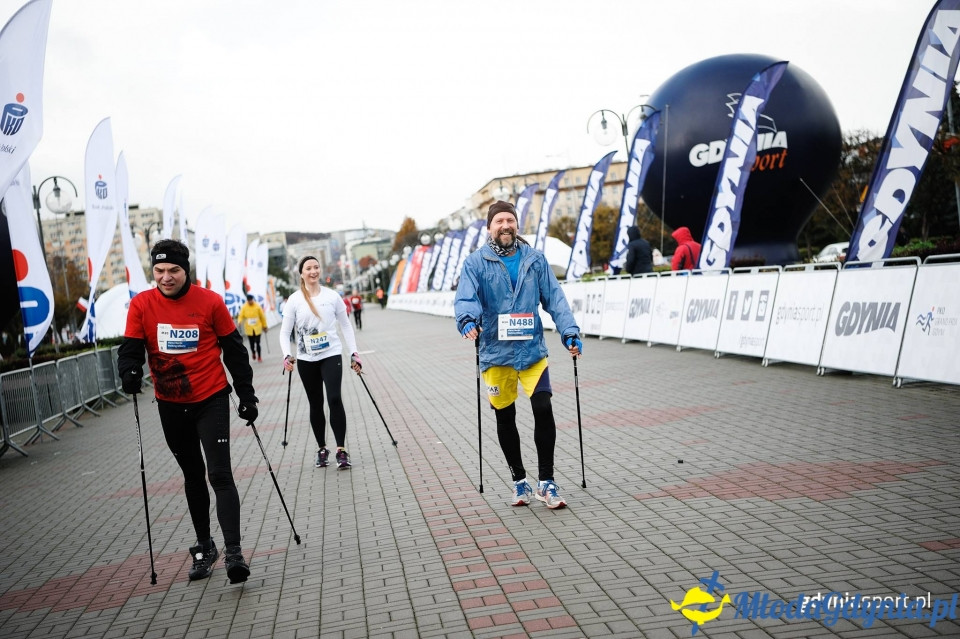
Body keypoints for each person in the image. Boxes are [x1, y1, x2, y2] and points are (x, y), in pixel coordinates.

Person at [116, 239, 257, 585]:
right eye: (159, 270)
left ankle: (234, 552)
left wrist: (247, 395)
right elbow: (130, 349)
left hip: (211, 398)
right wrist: (129, 371)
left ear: (186, 270)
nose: (166, 277)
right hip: (170, 403)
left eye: (173, 270)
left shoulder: (210, 302)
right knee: (193, 476)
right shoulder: (141, 305)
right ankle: (205, 546)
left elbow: (234, 351)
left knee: (219, 474)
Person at [454, 201, 582, 510]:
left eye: (509, 220)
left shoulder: (535, 260)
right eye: (499, 221)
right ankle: (519, 480)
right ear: (490, 227)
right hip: (496, 353)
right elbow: (466, 297)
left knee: (543, 407)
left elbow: (555, 298)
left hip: (531, 351)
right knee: (505, 416)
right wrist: (467, 320)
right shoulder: (475, 263)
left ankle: (547, 482)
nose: (505, 225)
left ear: (517, 225)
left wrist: (569, 331)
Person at [280, 256, 362, 470]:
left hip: (331, 354)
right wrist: (286, 355)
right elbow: (285, 332)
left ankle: (341, 450)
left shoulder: (332, 296)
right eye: (308, 268)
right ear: (301, 273)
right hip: (306, 359)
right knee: (315, 403)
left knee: (334, 398)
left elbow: (346, 325)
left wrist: (354, 352)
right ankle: (322, 449)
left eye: (316, 267)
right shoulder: (294, 300)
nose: (313, 271)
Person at [236, 293, 268, 362]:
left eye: (251, 300)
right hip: (249, 328)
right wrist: (239, 321)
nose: (250, 301)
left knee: (258, 342)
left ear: (252, 299)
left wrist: (264, 326)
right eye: (248, 300)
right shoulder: (244, 307)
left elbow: (262, 317)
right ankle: (253, 352)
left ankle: (259, 356)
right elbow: (241, 315)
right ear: (247, 300)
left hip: (257, 327)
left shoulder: (257, 306)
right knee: (252, 343)